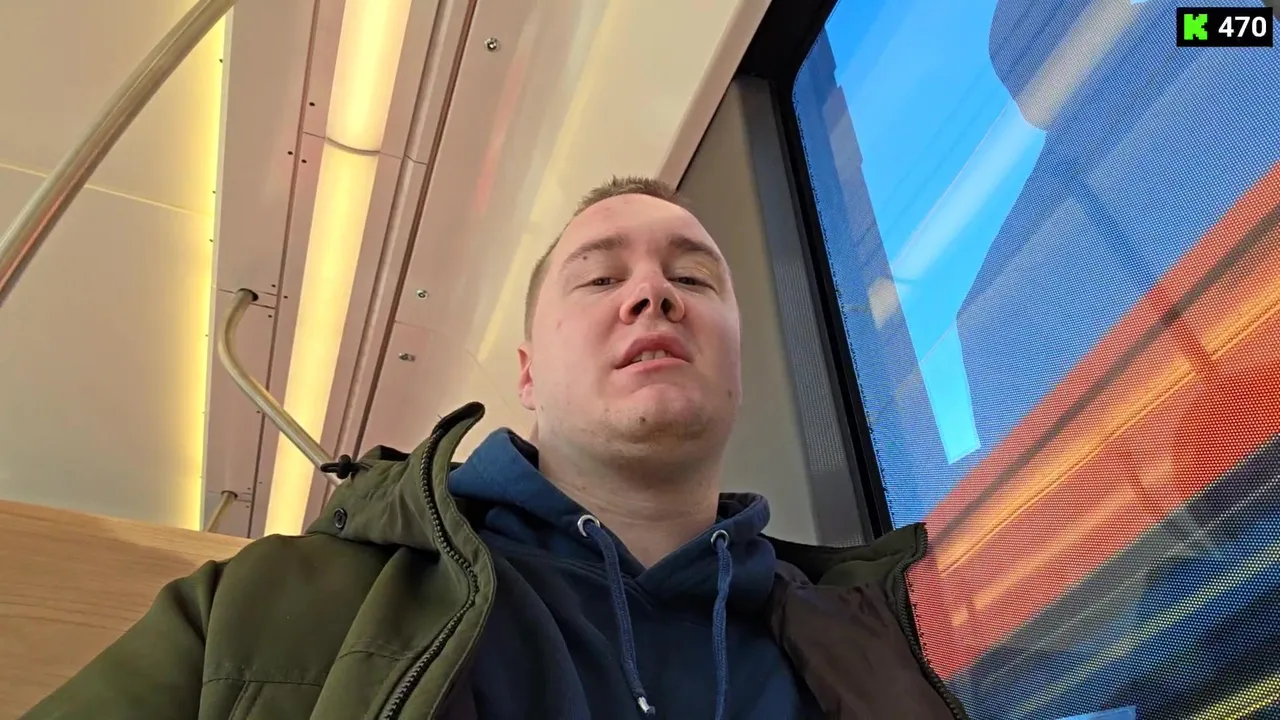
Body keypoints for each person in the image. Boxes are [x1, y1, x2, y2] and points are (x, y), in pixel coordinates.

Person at [23, 177, 966, 719]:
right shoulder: (262, 605)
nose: (654, 294)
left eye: (693, 278)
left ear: (738, 364)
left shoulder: (890, 640)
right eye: (600, 278)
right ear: (527, 374)